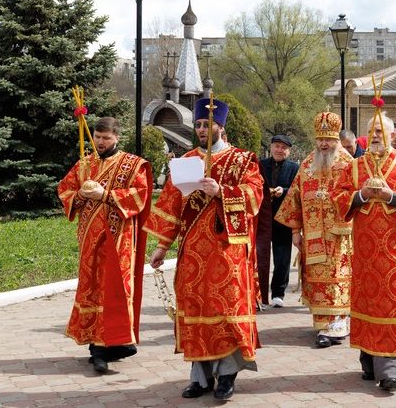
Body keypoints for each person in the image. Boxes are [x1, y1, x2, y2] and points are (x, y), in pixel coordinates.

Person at [146, 98, 263, 400]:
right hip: (192, 253)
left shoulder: (242, 159)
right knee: (195, 311)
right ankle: (199, 377)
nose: (201, 129)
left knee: (224, 313)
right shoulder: (185, 162)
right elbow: (172, 205)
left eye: (206, 124)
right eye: (197, 124)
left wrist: (222, 191)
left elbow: (254, 197)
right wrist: (162, 246)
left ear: (220, 127)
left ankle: (226, 376)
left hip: (227, 253)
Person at [334, 111, 396, 393]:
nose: (376, 135)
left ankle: (389, 371)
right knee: (368, 305)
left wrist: (392, 196)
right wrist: (362, 195)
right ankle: (369, 360)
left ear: (391, 134)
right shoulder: (355, 167)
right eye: (372, 130)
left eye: (381, 130)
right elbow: (338, 197)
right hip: (365, 254)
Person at [58, 116, 152, 373]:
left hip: (119, 237)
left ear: (116, 138)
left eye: (105, 138)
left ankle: (117, 341)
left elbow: (139, 195)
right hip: (90, 239)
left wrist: (106, 195)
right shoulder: (84, 164)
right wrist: (79, 195)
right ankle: (97, 347)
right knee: (94, 287)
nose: (100, 142)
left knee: (116, 288)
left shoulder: (131, 164)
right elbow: (64, 190)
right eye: (97, 137)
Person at [275, 112, 354, 348]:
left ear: (336, 139)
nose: (324, 144)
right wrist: (294, 232)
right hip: (311, 236)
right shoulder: (308, 164)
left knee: (337, 280)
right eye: (320, 139)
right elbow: (294, 199)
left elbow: (357, 198)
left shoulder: (349, 164)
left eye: (328, 139)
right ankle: (322, 326)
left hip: (339, 236)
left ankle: (337, 326)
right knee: (317, 282)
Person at [256, 134, 299, 308]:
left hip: (284, 217)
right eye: (277, 146)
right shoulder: (260, 165)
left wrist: (285, 190)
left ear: (289, 151)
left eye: (284, 148)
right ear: (271, 147)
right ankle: (259, 292)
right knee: (260, 256)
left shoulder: (294, 167)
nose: (279, 150)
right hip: (263, 217)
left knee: (282, 257)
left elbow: (297, 189)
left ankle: (278, 293)